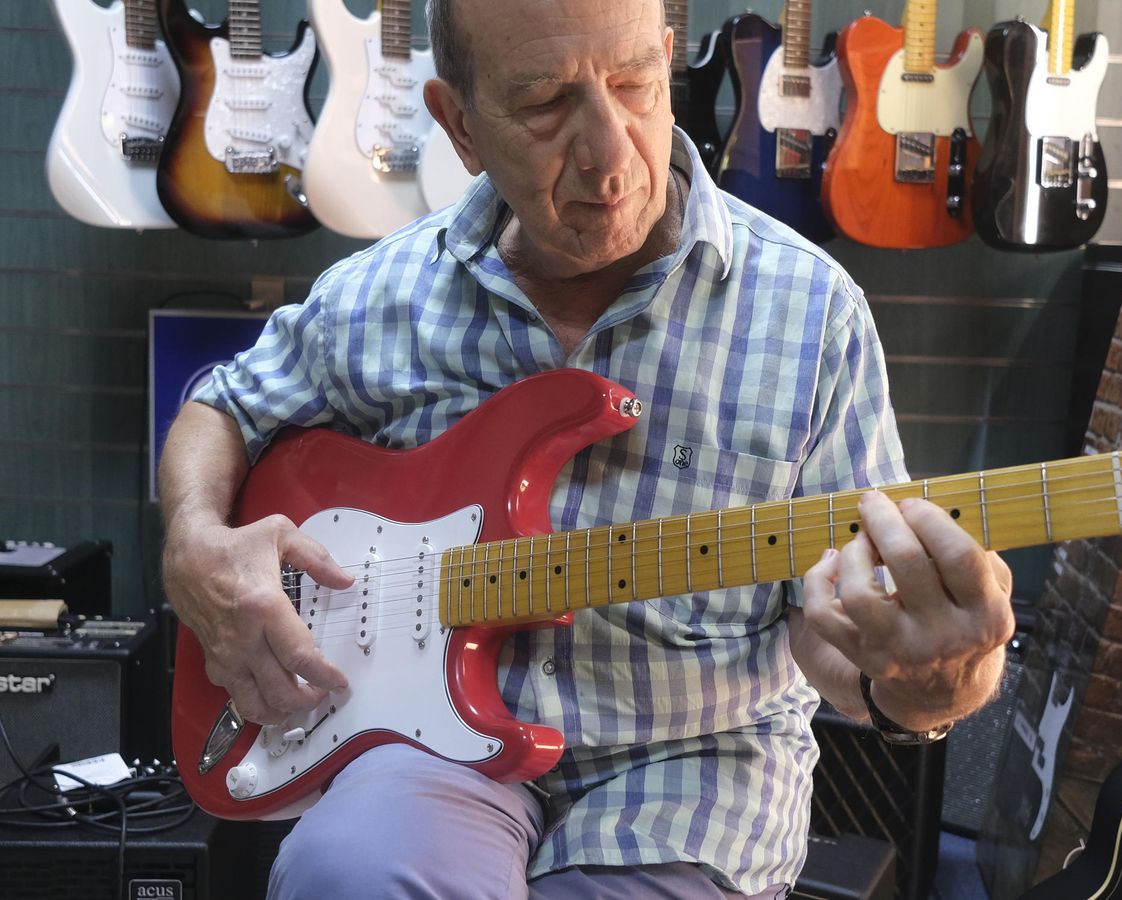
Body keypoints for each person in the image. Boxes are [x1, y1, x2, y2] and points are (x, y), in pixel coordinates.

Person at [157, 0, 1015, 895]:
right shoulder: (378, 293)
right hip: (426, 750)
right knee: (348, 873)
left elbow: (838, 626)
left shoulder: (812, 311)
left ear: (671, 64)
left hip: (694, 761)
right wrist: (195, 543)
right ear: (458, 123)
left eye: (636, 84)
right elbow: (219, 408)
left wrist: (923, 686)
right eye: (545, 104)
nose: (611, 151)